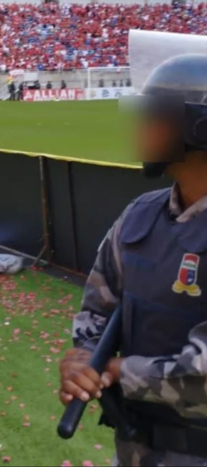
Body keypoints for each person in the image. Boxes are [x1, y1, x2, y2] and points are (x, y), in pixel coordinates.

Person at [59, 31, 207, 466]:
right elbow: (96, 310)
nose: (139, 126)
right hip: (136, 446)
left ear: (197, 126)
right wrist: (83, 361)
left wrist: (119, 371)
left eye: (153, 115)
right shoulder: (140, 216)